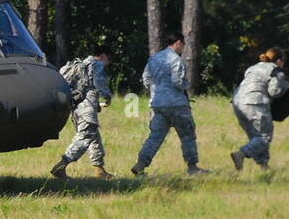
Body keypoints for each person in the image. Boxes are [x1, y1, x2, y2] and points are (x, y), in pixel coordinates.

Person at [132, 31, 209, 176]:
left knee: (155, 136)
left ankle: (140, 165)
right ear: (178, 43)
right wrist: (187, 85)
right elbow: (178, 82)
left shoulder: (153, 59)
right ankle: (192, 167)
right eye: (183, 45)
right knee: (187, 135)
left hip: (157, 104)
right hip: (176, 104)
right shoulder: (176, 60)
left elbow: (145, 79)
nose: (183, 49)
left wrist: (157, 91)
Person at [51, 45, 115, 179]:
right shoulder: (97, 65)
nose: (109, 62)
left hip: (76, 107)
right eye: (109, 58)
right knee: (86, 136)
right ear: (102, 55)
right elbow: (99, 83)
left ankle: (100, 170)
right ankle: (61, 165)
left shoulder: (81, 64)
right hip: (87, 109)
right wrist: (108, 96)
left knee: (94, 137)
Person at [231, 47, 289, 171]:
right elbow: (274, 92)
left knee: (256, 137)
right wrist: (285, 85)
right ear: (279, 61)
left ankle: (264, 165)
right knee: (264, 137)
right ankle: (240, 154)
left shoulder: (253, 67)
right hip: (255, 103)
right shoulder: (275, 71)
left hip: (238, 102)